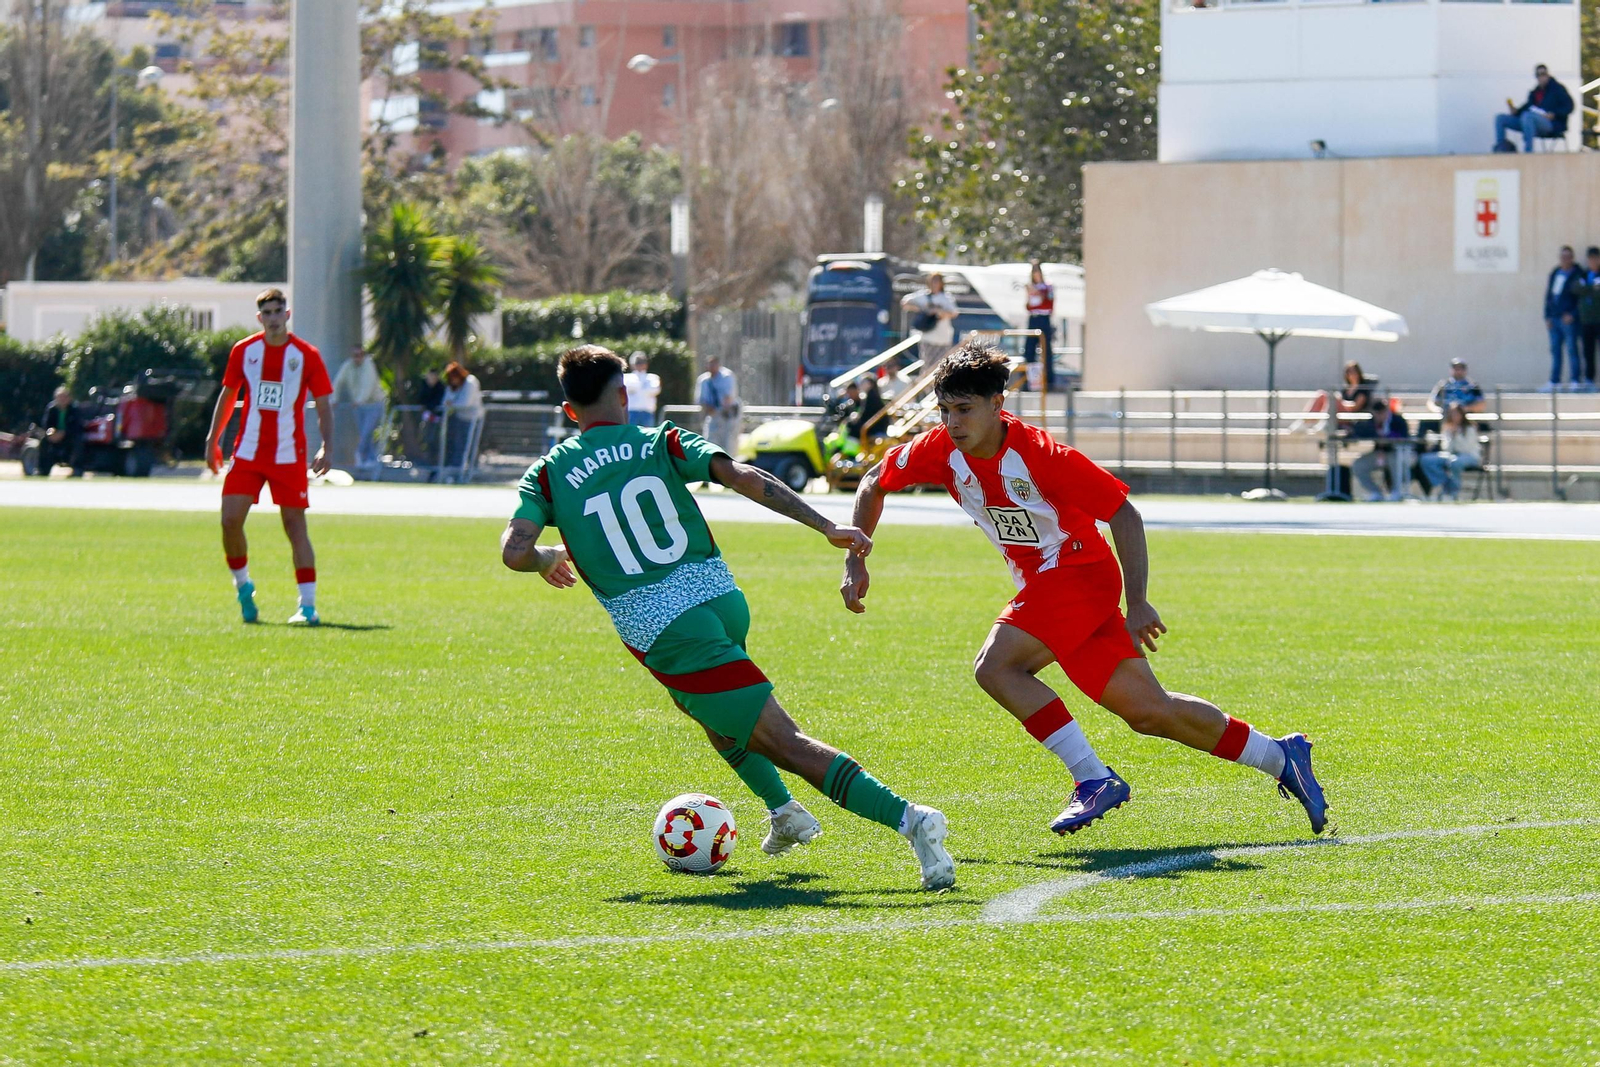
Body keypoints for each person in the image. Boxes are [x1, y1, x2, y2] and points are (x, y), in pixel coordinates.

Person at [501, 345, 954, 889]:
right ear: (624, 395)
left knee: (783, 741)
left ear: (570, 411)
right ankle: (785, 812)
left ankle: (912, 820)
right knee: (711, 714)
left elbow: (514, 550)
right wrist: (825, 526)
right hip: (719, 598)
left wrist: (546, 557)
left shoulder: (548, 475)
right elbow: (741, 475)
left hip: (666, 627)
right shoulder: (662, 439)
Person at [840, 342, 1328, 839]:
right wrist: (856, 558)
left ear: (997, 404)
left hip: (1079, 574)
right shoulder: (940, 451)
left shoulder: (1042, 456)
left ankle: (1093, 778)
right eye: (944, 411)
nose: (953, 423)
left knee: (997, 666)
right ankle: (1280, 755)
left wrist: (1137, 603)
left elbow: (1124, 513)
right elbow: (873, 481)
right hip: (1050, 587)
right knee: (1149, 712)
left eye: (964, 409)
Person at [204, 287, 333, 626]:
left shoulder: (306, 355)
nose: (274, 318)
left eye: (279, 312)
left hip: (289, 454)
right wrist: (212, 440)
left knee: (295, 527)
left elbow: (322, 404)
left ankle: (307, 606)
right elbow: (229, 396)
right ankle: (243, 586)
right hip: (247, 452)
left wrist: (326, 446)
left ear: (287, 315)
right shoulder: (244, 351)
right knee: (229, 521)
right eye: (268, 313)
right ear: (260, 318)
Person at [1493, 65, 1574, 153]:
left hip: (1551, 124)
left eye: (1543, 74)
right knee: (1500, 118)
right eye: (1538, 75)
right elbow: (1528, 107)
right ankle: (1501, 149)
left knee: (1528, 116)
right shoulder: (1535, 92)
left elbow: (1570, 106)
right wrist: (1516, 111)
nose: (1541, 77)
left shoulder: (1558, 89)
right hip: (1530, 123)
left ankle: (1528, 152)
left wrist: (1554, 114)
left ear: (1548, 75)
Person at [332, 345, 387, 469]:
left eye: (360, 355)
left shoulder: (369, 365)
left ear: (364, 355)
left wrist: (360, 400)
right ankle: (369, 460)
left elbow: (369, 385)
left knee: (366, 432)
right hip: (358, 407)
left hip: (373, 405)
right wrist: (334, 399)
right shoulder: (348, 366)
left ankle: (359, 454)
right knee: (365, 433)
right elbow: (338, 381)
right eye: (354, 356)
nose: (357, 358)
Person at [1351, 397, 1413, 502]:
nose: (1379, 415)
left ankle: (1396, 492)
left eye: (1381, 412)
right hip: (1379, 454)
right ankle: (1376, 492)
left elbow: (1404, 437)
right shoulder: (1372, 421)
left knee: (1395, 460)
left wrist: (1387, 437)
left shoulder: (1397, 420)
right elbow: (1359, 432)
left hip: (1396, 452)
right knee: (1358, 465)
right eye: (1376, 413)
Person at [1419, 405, 1482, 502]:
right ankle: (1444, 483)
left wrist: (1457, 435)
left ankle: (1453, 492)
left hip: (1469, 456)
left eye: (1457, 414)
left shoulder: (1470, 428)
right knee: (1426, 459)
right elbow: (1447, 449)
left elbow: (1466, 448)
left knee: (1454, 462)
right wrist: (1451, 435)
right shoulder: (1448, 428)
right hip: (1452, 455)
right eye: (1453, 414)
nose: (1455, 417)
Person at [1291, 361, 1375, 434]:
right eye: (1348, 372)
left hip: (1352, 419)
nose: (1351, 375)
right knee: (1322, 395)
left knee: (1333, 398)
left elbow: (1355, 407)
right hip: (1340, 414)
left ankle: (1325, 423)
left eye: (1353, 372)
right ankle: (1304, 421)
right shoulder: (1346, 390)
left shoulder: (1363, 389)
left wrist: (1340, 402)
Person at [1543, 246, 1583, 393]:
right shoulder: (1555, 273)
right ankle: (1555, 381)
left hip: (1568, 320)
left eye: (1568, 257)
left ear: (1572, 258)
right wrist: (1547, 316)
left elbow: (1581, 300)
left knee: (1572, 349)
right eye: (1562, 257)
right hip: (1554, 319)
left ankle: (1575, 380)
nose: (1565, 260)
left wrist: (1572, 314)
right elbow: (1549, 296)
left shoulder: (1578, 275)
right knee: (1555, 351)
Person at [900, 271, 959, 365]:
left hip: (943, 338)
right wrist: (922, 309)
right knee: (927, 364)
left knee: (941, 364)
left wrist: (939, 312)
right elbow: (905, 302)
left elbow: (954, 313)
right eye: (932, 281)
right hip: (927, 337)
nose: (934, 284)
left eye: (937, 281)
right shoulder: (923, 296)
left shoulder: (946, 298)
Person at [441, 361, 484, 472]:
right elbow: (445, 401)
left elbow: (465, 403)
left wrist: (452, 404)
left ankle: (473, 470)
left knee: (471, 446)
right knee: (458, 445)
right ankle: (457, 470)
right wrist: (451, 398)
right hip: (461, 418)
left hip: (473, 419)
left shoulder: (470, 382)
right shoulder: (453, 385)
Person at [695, 355, 740, 455]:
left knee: (729, 443)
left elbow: (729, 397)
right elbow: (701, 399)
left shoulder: (727, 376)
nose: (712, 367)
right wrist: (708, 409)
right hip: (712, 414)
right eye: (709, 364)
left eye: (714, 364)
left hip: (728, 414)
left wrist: (721, 409)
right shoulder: (704, 380)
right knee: (710, 440)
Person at [1021, 261, 1055, 390]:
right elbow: (1029, 306)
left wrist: (1037, 293)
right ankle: (1027, 381)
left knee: (1046, 351)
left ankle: (1049, 380)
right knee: (1029, 350)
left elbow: (1048, 304)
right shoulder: (1031, 286)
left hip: (1043, 318)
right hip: (1033, 318)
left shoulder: (1047, 287)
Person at [38, 386, 83, 477]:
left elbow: (76, 426)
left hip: (69, 436)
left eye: (64, 397)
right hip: (54, 436)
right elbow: (46, 424)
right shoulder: (51, 409)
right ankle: (42, 470)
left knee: (78, 441)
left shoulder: (74, 409)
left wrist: (63, 433)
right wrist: (50, 432)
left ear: (69, 398)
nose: (62, 399)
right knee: (44, 441)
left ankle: (77, 469)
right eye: (59, 397)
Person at [1573, 246, 1600, 392]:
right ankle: (1589, 380)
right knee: (1588, 352)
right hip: (1586, 321)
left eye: (1595, 258)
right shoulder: (1583, 274)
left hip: (1599, 320)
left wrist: (1587, 289)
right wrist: (1592, 288)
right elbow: (1575, 289)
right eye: (1590, 259)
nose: (1593, 261)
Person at [624, 351, 661, 427]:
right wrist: (643, 387)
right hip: (631, 411)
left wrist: (637, 388)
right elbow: (625, 389)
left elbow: (655, 390)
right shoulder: (626, 377)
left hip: (647, 412)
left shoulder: (653, 377)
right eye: (637, 363)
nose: (640, 365)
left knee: (648, 436)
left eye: (642, 363)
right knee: (631, 435)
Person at [847, 375, 885, 443]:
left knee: (852, 427)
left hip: (875, 428)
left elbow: (866, 415)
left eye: (863, 383)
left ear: (870, 384)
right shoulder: (871, 396)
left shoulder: (872, 397)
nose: (861, 385)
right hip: (874, 426)